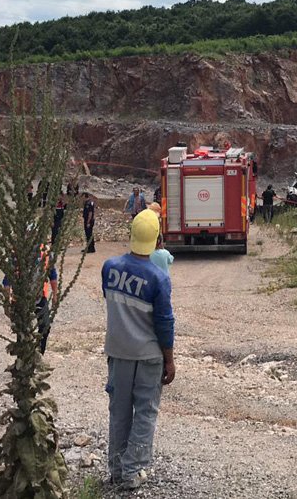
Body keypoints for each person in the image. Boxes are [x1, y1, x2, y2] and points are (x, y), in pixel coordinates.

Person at [102, 209, 175, 490]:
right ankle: (132, 472)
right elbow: (164, 323)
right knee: (145, 411)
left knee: (119, 412)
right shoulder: (159, 279)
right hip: (148, 357)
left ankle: (117, 470)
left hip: (118, 353)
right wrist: (170, 360)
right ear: (157, 239)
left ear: (130, 234)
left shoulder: (109, 267)